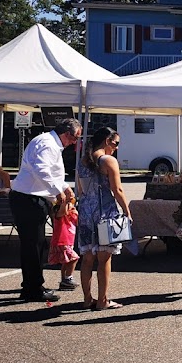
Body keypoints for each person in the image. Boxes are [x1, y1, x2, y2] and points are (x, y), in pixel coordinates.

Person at [10, 118, 81, 302]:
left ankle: (32, 285)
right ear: (66, 134)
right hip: (30, 199)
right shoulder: (48, 144)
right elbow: (41, 170)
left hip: (29, 197)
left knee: (34, 245)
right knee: (34, 246)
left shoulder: (48, 142)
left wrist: (64, 186)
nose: (74, 143)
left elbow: (51, 172)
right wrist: (59, 192)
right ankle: (33, 288)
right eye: (74, 138)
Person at [75, 127, 131, 310]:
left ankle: (86, 299)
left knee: (87, 258)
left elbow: (80, 189)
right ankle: (102, 300)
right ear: (107, 141)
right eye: (116, 143)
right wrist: (127, 211)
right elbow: (117, 190)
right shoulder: (108, 160)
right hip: (104, 213)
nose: (116, 147)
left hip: (85, 212)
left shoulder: (83, 161)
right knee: (104, 259)